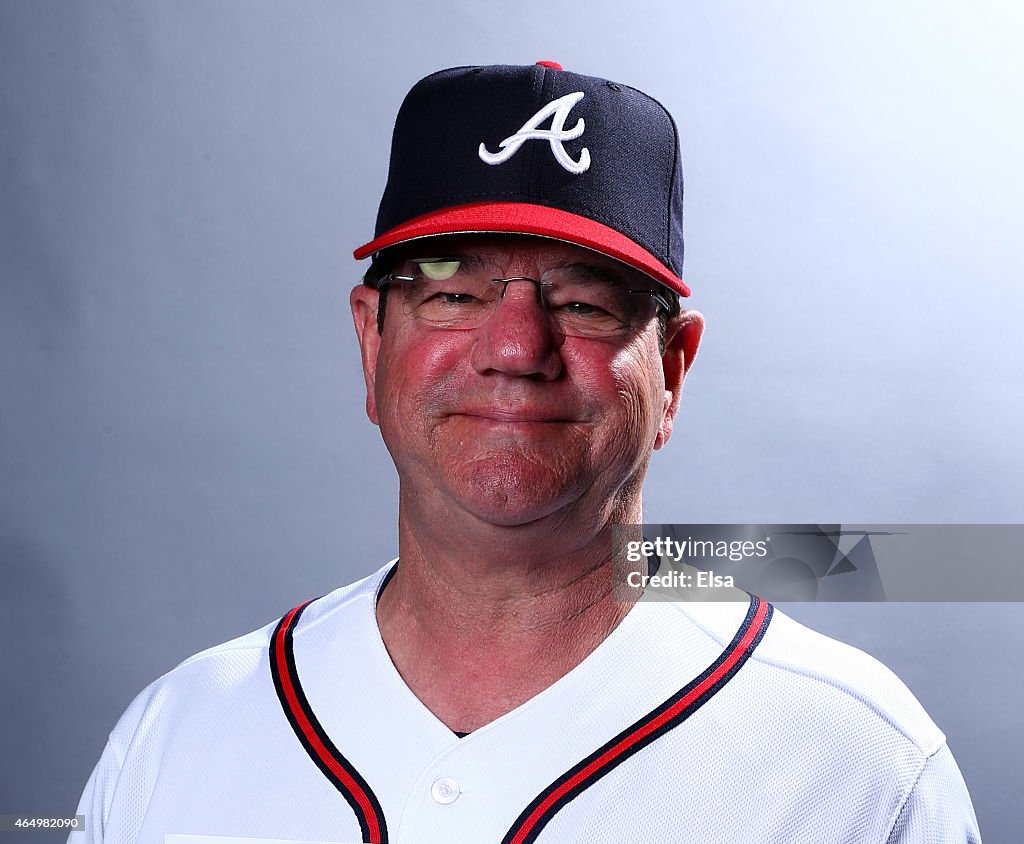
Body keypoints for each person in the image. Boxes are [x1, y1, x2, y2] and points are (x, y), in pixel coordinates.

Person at [72, 61, 981, 843]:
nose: (514, 347)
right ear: (371, 340)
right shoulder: (179, 734)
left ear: (672, 368)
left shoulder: (863, 763)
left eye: (584, 303)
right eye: (453, 294)